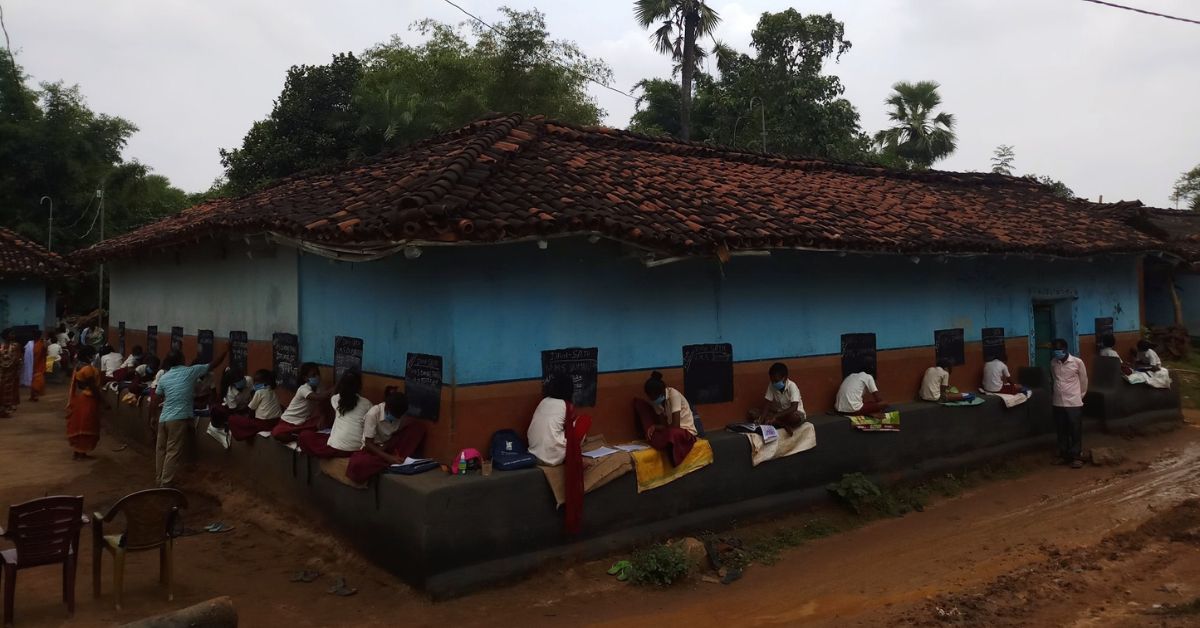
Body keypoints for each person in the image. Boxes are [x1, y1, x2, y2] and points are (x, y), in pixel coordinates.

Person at [154, 348, 227, 487]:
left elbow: (155, 399)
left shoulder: (164, 377)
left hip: (163, 418)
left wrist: (152, 418)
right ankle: (166, 483)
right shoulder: (190, 372)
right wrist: (225, 349)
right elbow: (214, 364)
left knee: (161, 450)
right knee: (173, 451)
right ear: (182, 359)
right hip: (178, 419)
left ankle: (159, 480)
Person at [345, 391, 432, 484]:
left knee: (418, 427)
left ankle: (399, 460)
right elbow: (368, 444)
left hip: (389, 443)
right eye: (395, 416)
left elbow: (402, 428)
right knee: (358, 464)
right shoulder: (373, 414)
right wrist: (389, 457)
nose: (397, 419)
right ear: (387, 408)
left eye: (399, 416)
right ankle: (393, 461)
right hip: (375, 449)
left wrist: (389, 445)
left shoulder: (400, 413)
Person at [298, 369, 372, 458]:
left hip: (337, 449)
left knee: (304, 435)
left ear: (341, 385)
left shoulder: (336, 399)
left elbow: (333, 394)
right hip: (356, 448)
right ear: (359, 386)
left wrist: (339, 383)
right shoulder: (367, 404)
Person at [632, 372, 697, 467]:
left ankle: (664, 443)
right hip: (670, 429)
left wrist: (662, 430)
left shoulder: (673, 395)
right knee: (653, 432)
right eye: (650, 397)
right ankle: (663, 442)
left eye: (654, 397)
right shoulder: (656, 402)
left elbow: (676, 426)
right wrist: (654, 427)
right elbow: (664, 424)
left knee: (672, 433)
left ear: (662, 392)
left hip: (684, 431)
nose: (652, 400)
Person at [528, 373, 582, 465]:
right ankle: (570, 455)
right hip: (553, 457)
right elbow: (570, 431)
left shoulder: (544, 401)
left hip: (533, 454)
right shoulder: (566, 405)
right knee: (583, 421)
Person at [1050, 339, 1088, 469]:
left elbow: (1084, 380)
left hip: (1074, 402)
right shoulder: (1053, 363)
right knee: (1061, 429)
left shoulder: (1077, 362)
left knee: (1075, 429)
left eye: (1059, 350)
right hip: (1058, 402)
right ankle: (1063, 454)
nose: (1057, 352)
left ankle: (1076, 455)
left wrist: (1080, 396)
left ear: (1065, 349)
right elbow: (1054, 379)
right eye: (1055, 350)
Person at [272, 363, 333, 442]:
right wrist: (334, 388)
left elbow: (322, 405)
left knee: (320, 425)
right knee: (277, 433)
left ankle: (301, 435)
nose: (317, 377)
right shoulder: (303, 389)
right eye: (313, 375)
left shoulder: (319, 389)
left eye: (318, 374)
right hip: (289, 421)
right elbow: (319, 397)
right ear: (305, 378)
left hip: (303, 422)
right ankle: (297, 438)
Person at [66, 346, 104, 459]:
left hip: (80, 398)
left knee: (79, 424)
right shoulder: (88, 369)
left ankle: (77, 451)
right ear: (89, 356)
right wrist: (103, 401)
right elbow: (93, 387)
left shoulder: (78, 366)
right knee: (87, 425)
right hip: (88, 399)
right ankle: (82, 452)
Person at [748, 362, 806, 433]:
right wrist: (761, 419)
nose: (774, 383)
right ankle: (782, 424)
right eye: (772, 380)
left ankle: (777, 422)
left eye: (776, 381)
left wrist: (775, 416)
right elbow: (767, 404)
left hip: (794, 413)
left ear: (785, 378)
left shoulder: (792, 386)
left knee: (793, 417)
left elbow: (794, 407)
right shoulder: (771, 385)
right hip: (779, 413)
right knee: (753, 412)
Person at [228, 369, 283, 441]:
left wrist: (249, 420)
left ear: (265, 382)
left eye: (256, 382)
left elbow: (251, 409)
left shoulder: (259, 392)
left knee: (232, 419)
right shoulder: (272, 392)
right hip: (276, 421)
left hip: (264, 424)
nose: (254, 384)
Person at [205, 367, 252, 448]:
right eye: (239, 380)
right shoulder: (230, 393)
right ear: (232, 383)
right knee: (219, 412)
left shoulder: (249, 380)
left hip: (248, 407)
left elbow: (254, 395)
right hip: (235, 410)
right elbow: (233, 412)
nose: (242, 380)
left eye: (242, 378)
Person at [0, 330, 22, 418]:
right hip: (3, 373)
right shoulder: (2, 347)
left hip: (11, 374)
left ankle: (7, 411)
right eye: (11, 334)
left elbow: (18, 359)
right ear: (6, 336)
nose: (13, 335)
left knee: (9, 391)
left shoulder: (15, 346)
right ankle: (2, 410)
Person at [27, 333, 46, 402]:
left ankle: (35, 396)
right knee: (33, 380)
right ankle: (33, 395)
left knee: (37, 380)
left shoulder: (41, 344)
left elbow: (44, 354)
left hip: (39, 364)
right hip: (32, 365)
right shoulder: (30, 345)